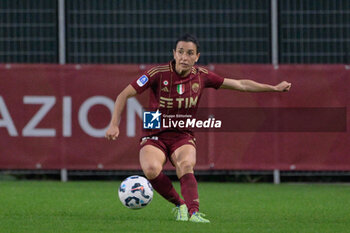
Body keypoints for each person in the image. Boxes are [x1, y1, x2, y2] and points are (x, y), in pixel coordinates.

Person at [105, 33, 291, 223]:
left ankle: (194, 213)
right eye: (180, 52)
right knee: (151, 169)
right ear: (174, 53)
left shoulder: (202, 76)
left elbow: (241, 84)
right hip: (154, 132)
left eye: (190, 53)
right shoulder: (157, 73)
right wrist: (114, 124)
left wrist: (274, 88)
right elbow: (123, 94)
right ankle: (180, 205)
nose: (184, 57)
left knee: (186, 165)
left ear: (197, 57)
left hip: (182, 134)